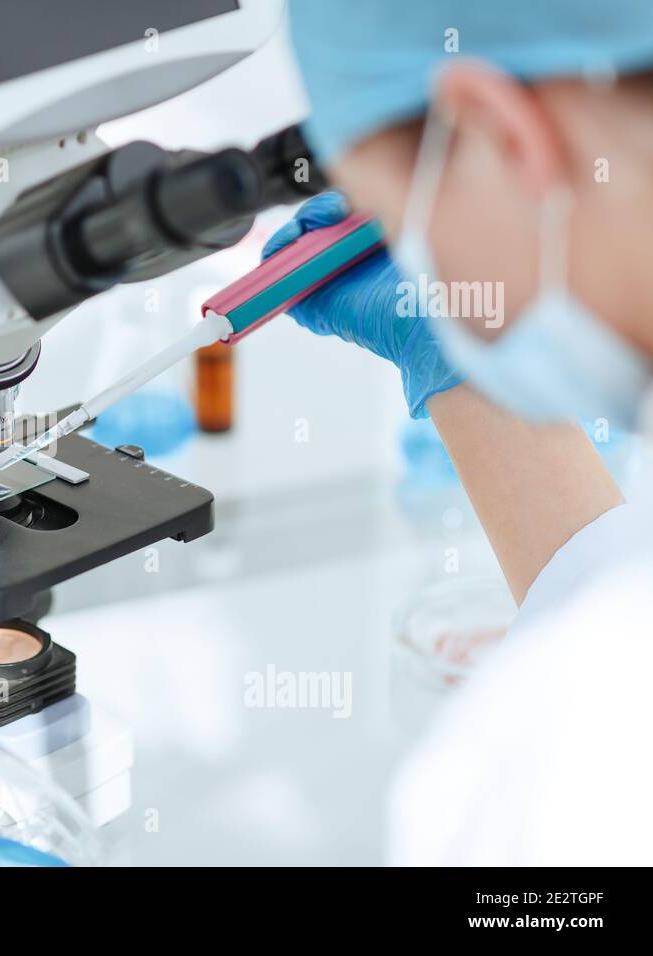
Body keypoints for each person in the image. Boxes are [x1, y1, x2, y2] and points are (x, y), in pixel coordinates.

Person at [267, 0, 653, 863]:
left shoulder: (566, 768)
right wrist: (465, 372)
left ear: (500, 137)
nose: (425, 271)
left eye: (399, 220)